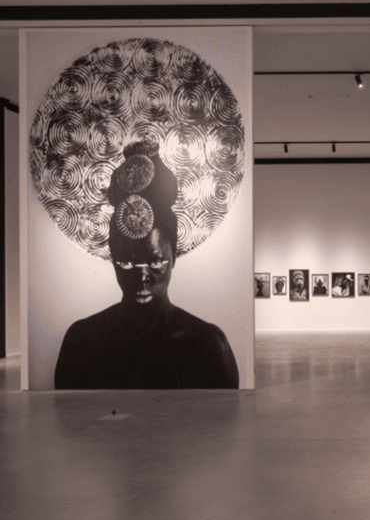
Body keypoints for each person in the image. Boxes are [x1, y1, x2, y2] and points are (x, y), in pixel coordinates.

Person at [55, 140, 238, 389]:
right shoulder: (82, 340)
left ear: (174, 255)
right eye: (127, 262)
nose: (142, 276)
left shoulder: (208, 345)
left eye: (155, 261)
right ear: (112, 257)